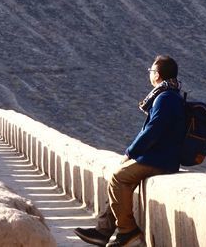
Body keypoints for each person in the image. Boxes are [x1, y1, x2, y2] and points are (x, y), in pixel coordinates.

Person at [75, 55, 185, 247]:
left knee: (119, 178)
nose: (150, 74)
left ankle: (128, 233)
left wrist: (130, 152)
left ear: (157, 75)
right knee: (119, 181)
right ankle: (103, 231)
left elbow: (153, 130)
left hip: (160, 160)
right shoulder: (169, 94)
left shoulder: (165, 98)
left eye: (151, 71)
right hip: (159, 156)